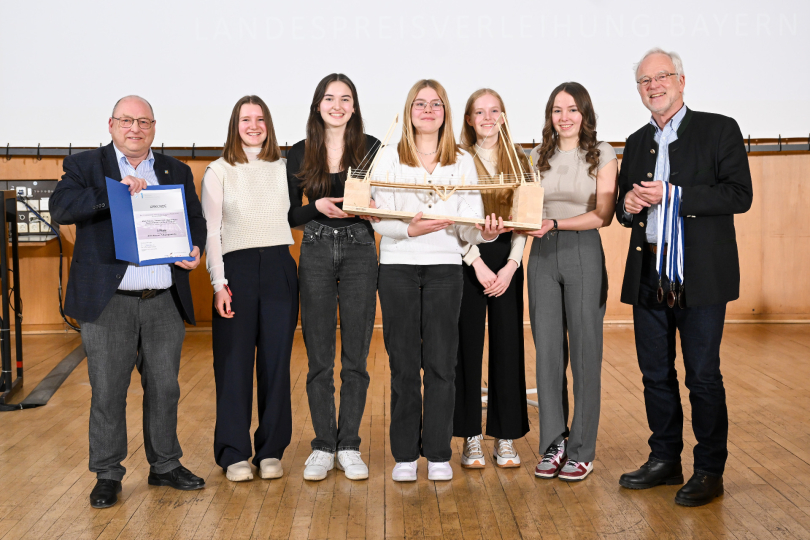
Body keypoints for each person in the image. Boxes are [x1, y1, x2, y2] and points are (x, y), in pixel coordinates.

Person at [50, 95, 207, 508]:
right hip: (108, 303)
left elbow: (195, 221)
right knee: (107, 390)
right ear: (111, 124)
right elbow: (62, 208)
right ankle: (107, 472)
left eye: (143, 121)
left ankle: (165, 465)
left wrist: (196, 250)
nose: (135, 128)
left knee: (165, 388)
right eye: (126, 120)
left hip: (162, 298)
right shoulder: (85, 166)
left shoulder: (175, 170)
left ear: (154, 127)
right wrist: (111, 194)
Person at [616, 48, 752, 506]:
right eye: (644, 81)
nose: (653, 86)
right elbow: (622, 208)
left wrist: (674, 195)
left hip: (701, 274)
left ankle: (709, 469)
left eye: (662, 77)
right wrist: (629, 206)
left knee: (703, 376)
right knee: (655, 374)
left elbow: (738, 195)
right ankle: (665, 459)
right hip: (649, 269)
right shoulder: (636, 141)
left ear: (682, 80)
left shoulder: (720, 129)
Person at [371, 79, 507, 482]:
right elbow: (377, 214)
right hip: (396, 267)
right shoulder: (387, 155)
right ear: (409, 110)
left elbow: (469, 225)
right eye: (419, 103)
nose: (427, 110)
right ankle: (405, 455)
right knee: (404, 365)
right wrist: (408, 231)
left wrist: (487, 234)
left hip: (446, 269)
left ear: (446, 112)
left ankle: (437, 453)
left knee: (443, 364)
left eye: (435, 104)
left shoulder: (462, 160)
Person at [286, 74, 380, 481]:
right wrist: (318, 206)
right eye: (329, 98)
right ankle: (324, 445)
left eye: (345, 99)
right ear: (317, 104)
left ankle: (350, 445)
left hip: (361, 248)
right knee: (319, 357)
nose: (337, 105)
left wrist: (374, 209)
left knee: (356, 357)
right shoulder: (298, 151)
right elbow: (291, 215)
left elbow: (386, 205)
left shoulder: (374, 147)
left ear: (354, 106)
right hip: (316, 249)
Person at [201, 95, 298, 483]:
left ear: (269, 124)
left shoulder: (285, 167)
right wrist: (219, 283)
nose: (253, 125)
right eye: (245, 119)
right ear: (234, 125)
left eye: (260, 119)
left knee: (276, 363)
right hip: (236, 271)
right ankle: (233, 453)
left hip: (279, 268)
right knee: (233, 365)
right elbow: (212, 232)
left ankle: (271, 450)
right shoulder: (218, 170)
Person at [526, 82, 618, 482]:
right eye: (557, 110)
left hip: (582, 251)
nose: (564, 117)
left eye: (572, 109)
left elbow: (604, 214)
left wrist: (557, 223)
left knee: (584, 354)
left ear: (585, 114)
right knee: (547, 355)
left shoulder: (604, 154)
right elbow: (527, 208)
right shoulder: (536, 156)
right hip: (541, 256)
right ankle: (554, 444)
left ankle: (582, 448)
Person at [454, 88, 530, 469]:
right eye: (478, 112)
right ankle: (469, 436)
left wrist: (512, 265)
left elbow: (525, 218)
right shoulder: (455, 158)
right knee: (466, 348)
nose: (487, 118)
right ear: (468, 119)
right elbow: (451, 217)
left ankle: (505, 437)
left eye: (494, 110)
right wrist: (476, 262)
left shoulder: (520, 160)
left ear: (503, 115)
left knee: (507, 347)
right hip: (466, 259)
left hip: (507, 263)